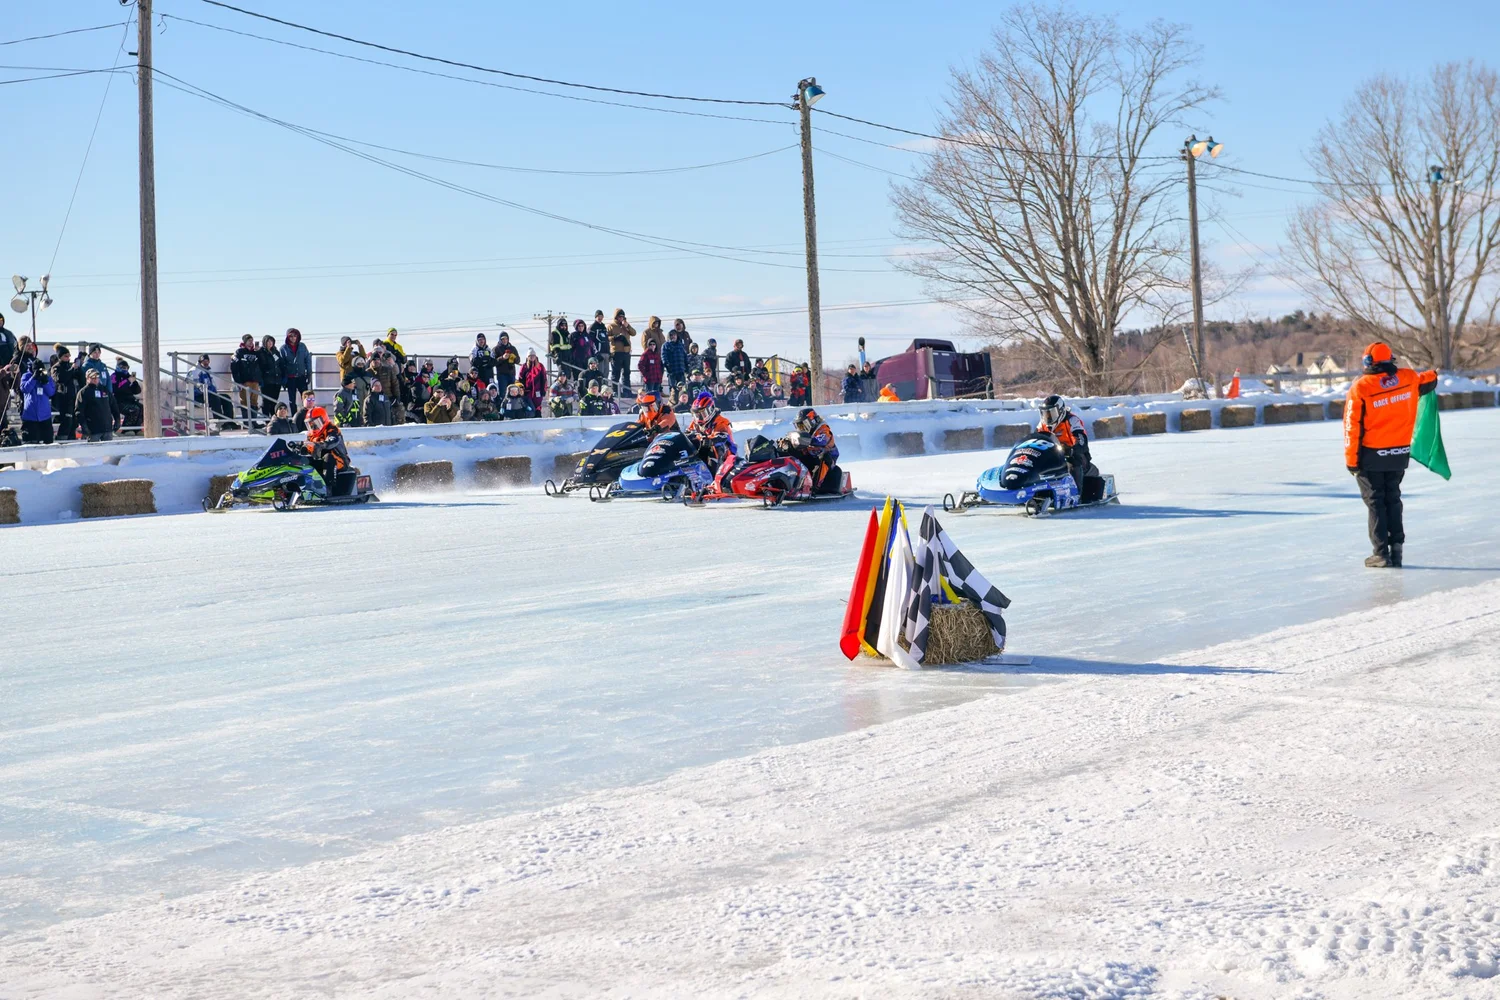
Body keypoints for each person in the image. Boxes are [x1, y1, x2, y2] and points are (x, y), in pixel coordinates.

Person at [1344, 341, 1439, 568]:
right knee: (1393, 498)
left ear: (1368, 361)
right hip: (1398, 453)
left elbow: (1351, 425)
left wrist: (1351, 461)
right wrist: (1434, 374)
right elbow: (1427, 380)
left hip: (1371, 454)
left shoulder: (1361, 387)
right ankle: (1397, 549)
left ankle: (1380, 553)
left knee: (1376, 502)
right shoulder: (1408, 378)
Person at [1037, 394, 1096, 491]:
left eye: (1051, 413)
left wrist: (1072, 449)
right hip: (1053, 456)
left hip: (1074, 456)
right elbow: (1035, 439)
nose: (1048, 417)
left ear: (1060, 411)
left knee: (1073, 461)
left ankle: (1076, 493)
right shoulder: (1042, 425)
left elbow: (1081, 440)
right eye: (1045, 414)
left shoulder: (1072, 420)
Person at [780, 407, 842, 494]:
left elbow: (823, 440)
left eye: (803, 425)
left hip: (826, 461)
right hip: (811, 456)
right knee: (791, 451)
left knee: (823, 456)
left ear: (811, 421)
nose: (801, 429)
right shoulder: (807, 434)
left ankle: (815, 487)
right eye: (799, 426)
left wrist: (804, 440)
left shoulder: (823, 428)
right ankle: (785, 481)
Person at [686, 389, 737, 490]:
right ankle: (687, 479)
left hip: (727, 457)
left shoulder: (720, 422)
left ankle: (715, 481)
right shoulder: (696, 423)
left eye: (702, 413)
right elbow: (688, 433)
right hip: (702, 449)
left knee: (715, 448)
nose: (699, 417)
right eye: (697, 414)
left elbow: (721, 437)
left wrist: (709, 440)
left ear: (711, 409)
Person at [303, 406, 350, 488]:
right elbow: (309, 446)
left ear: (323, 420)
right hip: (320, 460)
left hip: (339, 460)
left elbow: (333, 440)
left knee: (328, 457)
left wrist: (321, 444)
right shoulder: (311, 435)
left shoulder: (332, 429)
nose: (314, 427)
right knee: (305, 459)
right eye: (310, 425)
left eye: (316, 423)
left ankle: (328, 487)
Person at [76, 368, 119, 441]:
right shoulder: (83, 392)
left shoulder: (105, 390)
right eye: (92, 377)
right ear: (87, 378)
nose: (95, 379)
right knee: (93, 451)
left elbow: (114, 406)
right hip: (93, 430)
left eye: (97, 377)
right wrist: (84, 426)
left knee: (108, 451)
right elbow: (79, 411)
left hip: (107, 428)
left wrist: (117, 420)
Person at [20, 359, 55, 443]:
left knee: (48, 442)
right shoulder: (26, 376)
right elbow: (24, 389)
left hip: (45, 416)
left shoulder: (47, 377)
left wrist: (45, 382)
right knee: (31, 443)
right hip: (30, 416)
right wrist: (33, 378)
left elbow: (51, 392)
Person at [230, 334, 263, 421]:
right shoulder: (239, 352)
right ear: (245, 342)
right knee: (245, 401)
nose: (251, 343)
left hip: (255, 380)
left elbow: (262, 363)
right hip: (245, 381)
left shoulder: (255, 353)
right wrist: (238, 381)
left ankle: (254, 421)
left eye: (252, 341)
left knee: (254, 401)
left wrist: (259, 352)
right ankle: (246, 421)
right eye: (249, 341)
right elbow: (234, 367)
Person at [279, 328, 312, 411]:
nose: (293, 338)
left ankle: (306, 416)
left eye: (295, 336)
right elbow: (281, 364)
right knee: (292, 400)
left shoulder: (302, 346)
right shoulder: (283, 348)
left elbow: (307, 360)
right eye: (291, 336)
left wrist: (309, 373)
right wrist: (283, 379)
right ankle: (294, 418)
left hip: (301, 376)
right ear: (287, 337)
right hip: (290, 378)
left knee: (305, 397)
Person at [51, 346, 79, 440]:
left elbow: (80, 378)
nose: (68, 358)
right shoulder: (56, 368)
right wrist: (71, 370)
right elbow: (60, 379)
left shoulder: (69, 366)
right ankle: (61, 439)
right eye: (66, 356)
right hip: (62, 398)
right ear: (60, 356)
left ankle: (71, 439)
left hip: (72, 397)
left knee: (73, 422)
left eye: (69, 356)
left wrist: (78, 370)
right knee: (67, 420)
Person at [607, 308, 635, 394]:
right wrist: (615, 337)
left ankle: (627, 391)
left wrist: (627, 326)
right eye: (619, 317)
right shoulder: (611, 326)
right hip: (616, 352)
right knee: (616, 373)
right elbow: (606, 338)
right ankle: (615, 391)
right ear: (616, 317)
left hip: (626, 352)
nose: (621, 318)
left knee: (626, 373)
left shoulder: (626, 325)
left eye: (622, 316)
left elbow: (634, 333)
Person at [257, 334, 283, 417]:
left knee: (274, 400)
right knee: (266, 401)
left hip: (277, 380)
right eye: (268, 341)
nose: (270, 343)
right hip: (267, 380)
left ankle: (273, 416)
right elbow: (262, 365)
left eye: (271, 341)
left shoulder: (276, 352)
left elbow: (280, 364)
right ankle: (266, 418)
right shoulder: (261, 352)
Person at [520, 349, 548, 413]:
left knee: (537, 406)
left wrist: (544, 390)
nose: (532, 357)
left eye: (533, 356)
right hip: (528, 391)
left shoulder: (540, 366)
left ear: (536, 357)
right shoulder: (524, 366)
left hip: (537, 391)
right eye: (530, 356)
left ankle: (538, 416)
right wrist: (522, 390)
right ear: (527, 357)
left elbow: (544, 378)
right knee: (530, 407)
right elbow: (521, 379)